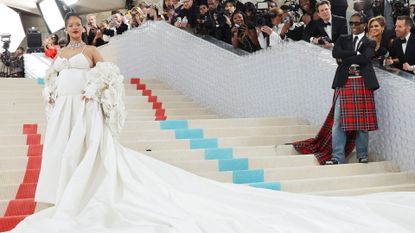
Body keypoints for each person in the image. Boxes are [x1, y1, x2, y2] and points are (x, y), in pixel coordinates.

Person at [8, 12, 415, 233]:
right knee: (64, 148)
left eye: (79, 26)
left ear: (84, 31)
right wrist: (51, 90)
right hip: (62, 108)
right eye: (72, 27)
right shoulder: (59, 56)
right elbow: (55, 77)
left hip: (84, 106)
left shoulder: (97, 52)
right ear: (65, 34)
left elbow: (109, 76)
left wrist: (94, 91)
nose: (76, 30)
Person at [293, 13, 379, 165]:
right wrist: (355, 54)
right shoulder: (343, 39)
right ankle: (337, 157)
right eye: (351, 23)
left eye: (356, 23)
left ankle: (362, 155)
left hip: (363, 83)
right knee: (338, 121)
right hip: (344, 83)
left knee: (362, 123)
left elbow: (366, 59)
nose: (352, 26)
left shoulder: (370, 42)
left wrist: (346, 59)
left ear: (364, 25)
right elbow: (335, 53)